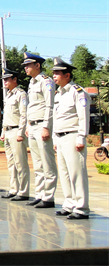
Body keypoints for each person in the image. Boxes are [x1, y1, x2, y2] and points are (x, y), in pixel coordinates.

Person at [52, 58, 91, 219]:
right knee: (65, 173)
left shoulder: (78, 92)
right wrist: (55, 138)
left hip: (73, 136)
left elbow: (83, 116)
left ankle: (81, 207)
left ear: (67, 75)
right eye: (53, 73)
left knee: (77, 173)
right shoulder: (59, 93)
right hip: (60, 137)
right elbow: (57, 117)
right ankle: (69, 204)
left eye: (57, 73)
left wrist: (82, 136)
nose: (54, 76)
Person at [22, 52, 57, 208]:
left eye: (28, 65)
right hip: (33, 125)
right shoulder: (32, 82)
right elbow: (32, 106)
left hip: (42, 126)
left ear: (37, 65)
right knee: (37, 163)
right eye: (25, 66)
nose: (25, 68)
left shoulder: (46, 81)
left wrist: (46, 126)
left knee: (47, 162)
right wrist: (29, 125)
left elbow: (49, 105)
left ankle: (48, 197)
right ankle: (40, 194)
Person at [0, 68, 29, 201]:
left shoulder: (21, 94)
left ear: (14, 79)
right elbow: (6, 116)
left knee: (20, 163)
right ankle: (13, 189)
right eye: (4, 79)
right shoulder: (9, 95)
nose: (4, 81)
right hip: (8, 130)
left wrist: (21, 132)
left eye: (7, 79)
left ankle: (23, 191)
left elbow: (24, 114)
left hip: (17, 131)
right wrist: (3, 132)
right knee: (11, 163)